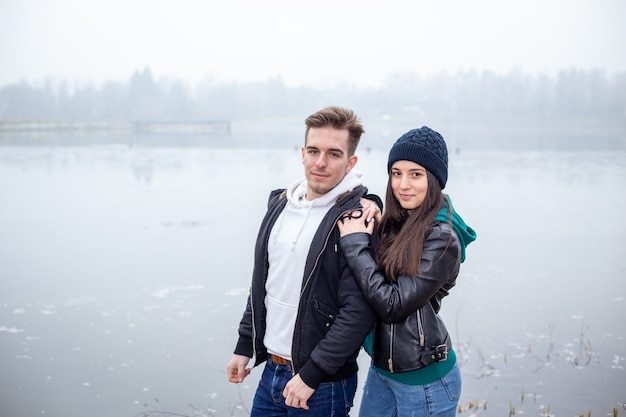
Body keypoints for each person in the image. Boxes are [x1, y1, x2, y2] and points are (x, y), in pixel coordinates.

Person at [226, 106, 379, 416]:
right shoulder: (280, 206)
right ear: (302, 153)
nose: (320, 163)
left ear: (351, 163)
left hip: (322, 384)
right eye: (313, 151)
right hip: (272, 369)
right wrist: (245, 344)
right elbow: (264, 284)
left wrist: (311, 375)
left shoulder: (357, 220)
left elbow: (359, 313)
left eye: (334, 154)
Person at [337, 126, 477, 417]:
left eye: (416, 174)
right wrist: (372, 203)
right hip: (383, 372)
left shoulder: (443, 239)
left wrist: (354, 246)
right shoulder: (398, 221)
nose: (403, 184)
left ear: (435, 180)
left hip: (425, 381)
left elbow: (393, 305)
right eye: (396, 173)